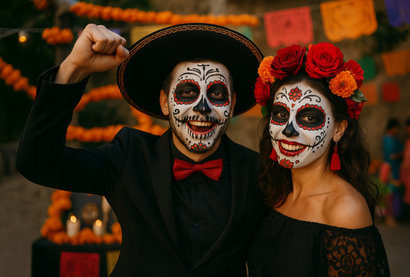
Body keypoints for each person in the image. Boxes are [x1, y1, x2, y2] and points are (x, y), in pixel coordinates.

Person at [16, 23, 265, 276]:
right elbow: (37, 163)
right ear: (164, 103)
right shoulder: (129, 156)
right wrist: (74, 68)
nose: (203, 107)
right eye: (187, 92)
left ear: (231, 106)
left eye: (217, 93)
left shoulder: (258, 173)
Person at [247, 43, 390, 276]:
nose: (288, 130)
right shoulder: (274, 190)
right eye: (281, 114)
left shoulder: (345, 210)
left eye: (309, 117)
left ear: (339, 129)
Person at [380, 118, 403, 226]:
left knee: (390, 193)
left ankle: (390, 218)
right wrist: (402, 154)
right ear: (393, 128)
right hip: (390, 169)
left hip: (391, 168)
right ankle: (389, 218)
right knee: (390, 193)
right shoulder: (389, 139)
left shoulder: (387, 139)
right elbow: (390, 156)